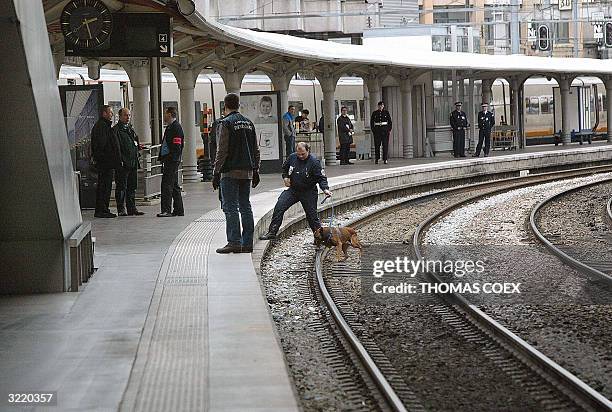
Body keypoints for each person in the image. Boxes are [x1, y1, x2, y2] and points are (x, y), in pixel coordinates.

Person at [212, 93, 261, 254]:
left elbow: (222, 151)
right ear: (238, 105)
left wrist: (216, 172)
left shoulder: (225, 123)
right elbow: (256, 149)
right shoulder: (249, 123)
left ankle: (234, 242)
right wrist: (256, 170)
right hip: (246, 172)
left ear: (224, 106)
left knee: (230, 207)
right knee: (245, 206)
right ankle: (247, 243)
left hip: (230, 172)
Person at [259, 142, 332, 240]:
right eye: (298, 154)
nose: (300, 156)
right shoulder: (292, 157)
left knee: (312, 216)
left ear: (308, 151)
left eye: (303, 154)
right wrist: (285, 177)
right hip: (293, 190)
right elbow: (285, 169)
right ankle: (272, 232)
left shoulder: (314, 162)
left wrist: (325, 189)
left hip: (308, 191)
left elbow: (321, 178)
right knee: (279, 206)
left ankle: (320, 237)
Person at [113, 108, 145, 216]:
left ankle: (132, 208)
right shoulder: (116, 130)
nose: (128, 118)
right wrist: (120, 160)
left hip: (133, 162)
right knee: (121, 186)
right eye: (126, 115)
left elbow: (134, 141)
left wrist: (137, 148)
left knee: (132, 186)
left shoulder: (130, 130)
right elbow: (116, 148)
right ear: (120, 116)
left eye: (129, 115)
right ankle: (121, 209)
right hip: (123, 164)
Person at [91, 105, 120, 218]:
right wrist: (109, 157)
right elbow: (103, 145)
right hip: (105, 163)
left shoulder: (104, 126)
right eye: (110, 112)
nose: (112, 115)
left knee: (106, 186)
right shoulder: (102, 127)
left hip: (107, 162)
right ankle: (101, 210)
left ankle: (104, 209)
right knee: (104, 186)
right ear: (104, 113)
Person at [157, 107, 185, 217]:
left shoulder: (176, 128)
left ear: (169, 114)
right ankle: (179, 210)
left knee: (167, 185)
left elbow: (177, 145)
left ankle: (166, 210)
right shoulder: (170, 127)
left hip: (171, 161)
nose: (164, 116)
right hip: (170, 160)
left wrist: (173, 159)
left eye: (165, 114)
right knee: (174, 185)